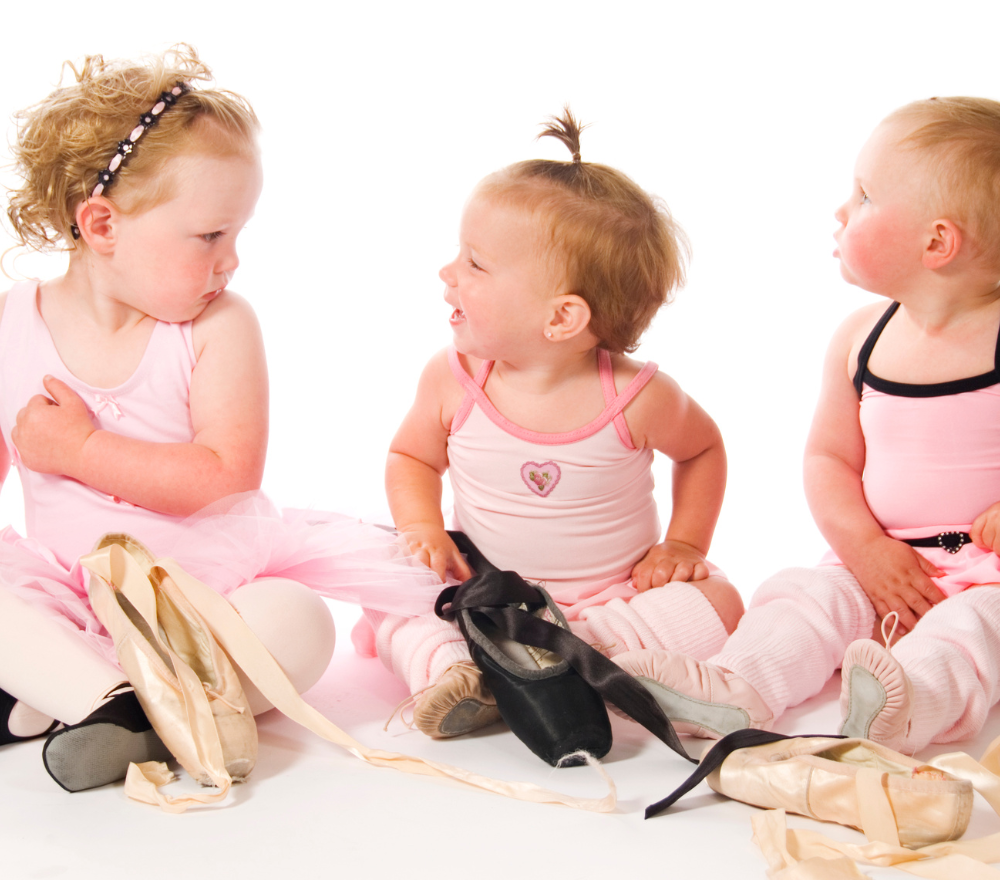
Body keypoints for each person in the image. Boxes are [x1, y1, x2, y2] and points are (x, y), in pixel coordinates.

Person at [0, 45, 443, 791]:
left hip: (201, 600)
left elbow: (223, 476)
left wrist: (78, 447)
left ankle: (87, 704)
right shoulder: (12, 322)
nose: (231, 260)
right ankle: (111, 702)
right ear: (102, 225)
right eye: (210, 236)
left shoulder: (218, 327)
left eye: (235, 236)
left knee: (298, 622)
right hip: (72, 592)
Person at [615, 97, 1000, 754]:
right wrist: (865, 550)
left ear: (938, 242)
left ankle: (911, 702)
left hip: (989, 569)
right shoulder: (862, 339)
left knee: (979, 627)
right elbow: (829, 460)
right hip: (879, 556)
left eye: (865, 195)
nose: (841, 210)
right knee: (805, 595)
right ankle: (735, 686)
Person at [360, 109, 744, 739]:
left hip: (609, 595)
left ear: (561, 318)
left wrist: (684, 546)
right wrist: (423, 529)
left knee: (721, 601)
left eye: (475, 265)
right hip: (483, 588)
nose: (447, 273)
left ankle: (578, 652)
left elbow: (703, 450)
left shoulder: (637, 398)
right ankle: (456, 671)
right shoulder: (454, 377)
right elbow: (412, 458)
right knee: (391, 594)